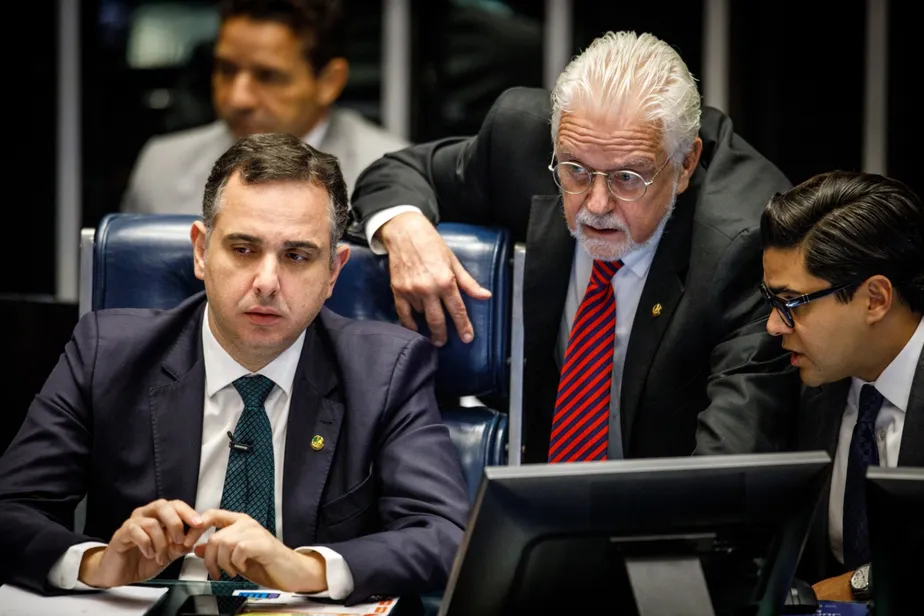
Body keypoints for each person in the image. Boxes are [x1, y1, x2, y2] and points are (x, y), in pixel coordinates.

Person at [0, 133, 469, 603]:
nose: (267, 282)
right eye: (243, 249)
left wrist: (306, 567)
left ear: (333, 271)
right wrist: (97, 563)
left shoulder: (385, 370)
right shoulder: (107, 352)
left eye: (297, 256)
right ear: (202, 252)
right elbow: (12, 509)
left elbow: (445, 535)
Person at [349, 31, 800, 463]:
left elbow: (730, 464)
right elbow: (396, 173)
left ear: (685, 165)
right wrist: (405, 228)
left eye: (628, 178)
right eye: (576, 171)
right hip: (533, 504)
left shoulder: (744, 242)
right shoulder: (521, 141)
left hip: (663, 523)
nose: (597, 205)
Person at [760, 171, 923, 593]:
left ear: (875, 299)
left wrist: (858, 584)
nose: (774, 325)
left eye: (792, 302)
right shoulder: (802, 381)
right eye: (772, 301)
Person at [121, 0, 408, 216]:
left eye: (268, 76)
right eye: (226, 69)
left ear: (329, 82)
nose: (238, 98)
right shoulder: (162, 168)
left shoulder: (393, 176)